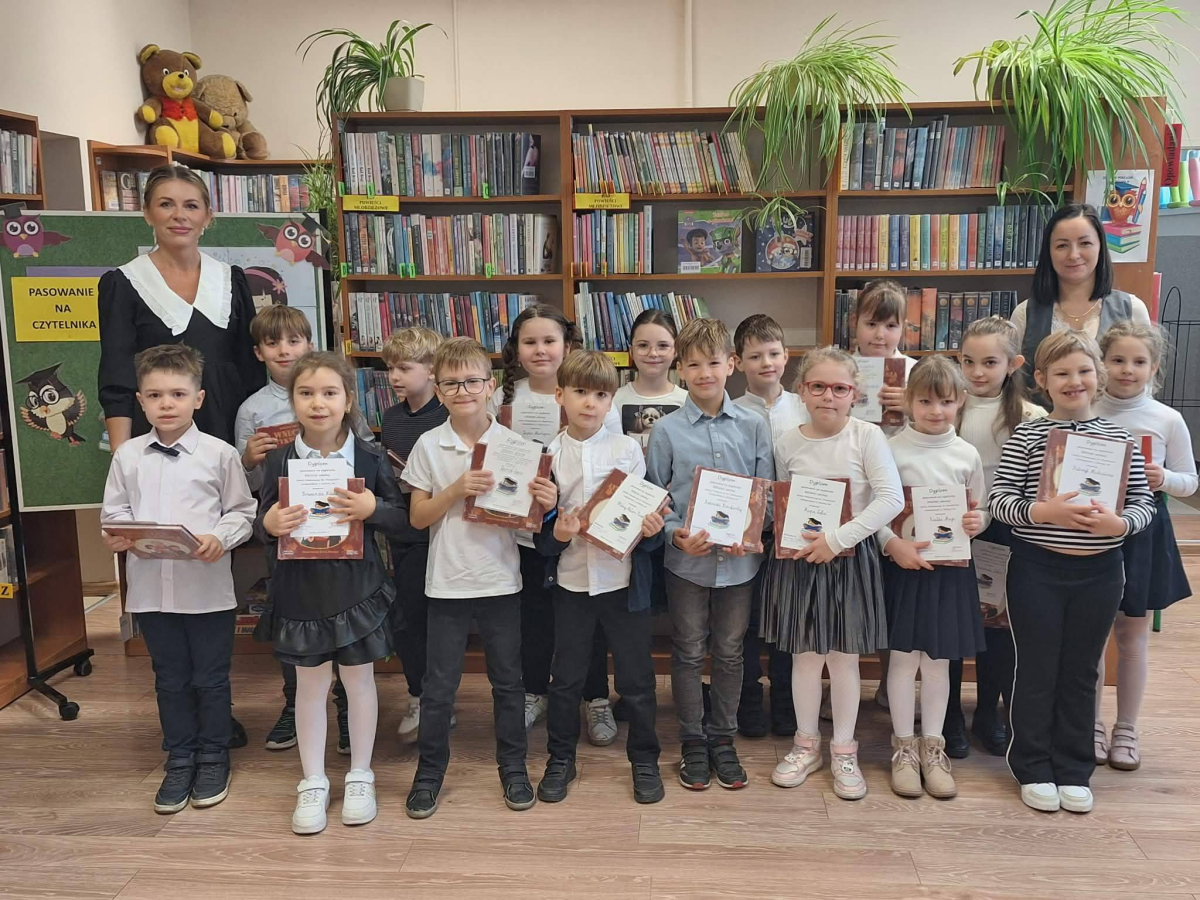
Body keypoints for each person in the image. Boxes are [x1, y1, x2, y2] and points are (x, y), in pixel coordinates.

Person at [989, 330, 1155, 814]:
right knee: (1036, 668)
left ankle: (1074, 767)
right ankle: (1033, 766)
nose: (1074, 381)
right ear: (1041, 380)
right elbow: (1000, 501)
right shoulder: (1028, 436)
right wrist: (1044, 512)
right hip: (1037, 569)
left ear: (1098, 376)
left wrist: (1120, 524)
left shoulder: (1119, 439)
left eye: (1083, 371)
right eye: (1061, 373)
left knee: (1083, 671)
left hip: (1100, 572)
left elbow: (1144, 504)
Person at [403, 337, 557, 818]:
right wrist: (455, 489)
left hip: (501, 581)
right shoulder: (430, 444)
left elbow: (530, 522)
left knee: (508, 682)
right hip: (447, 582)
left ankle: (513, 768)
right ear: (438, 390)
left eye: (473, 381)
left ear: (491, 386)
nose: (463, 391)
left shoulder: (516, 447)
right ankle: (429, 773)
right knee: (438, 687)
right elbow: (418, 518)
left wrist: (545, 504)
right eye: (451, 384)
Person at [100, 344, 256, 814]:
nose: (166, 404)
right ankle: (180, 756)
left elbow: (242, 512)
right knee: (169, 678)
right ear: (140, 401)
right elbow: (114, 512)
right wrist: (118, 535)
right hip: (150, 593)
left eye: (177, 394)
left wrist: (220, 537)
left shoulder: (219, 454)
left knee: (210, 678)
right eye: (154, 395)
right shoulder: (128, 456)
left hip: (207, 592)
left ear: (198, 399)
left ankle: (213, 756)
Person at [257, 352, 408, 834]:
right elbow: (262, 522)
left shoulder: (370, 457)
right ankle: (314, 780)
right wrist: (269, 523)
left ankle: (360, 775)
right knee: (310, 686)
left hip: (355, 588)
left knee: (359, 682)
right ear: (293, 400)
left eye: (329, 393)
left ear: (347, 400)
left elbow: (403, 518)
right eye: (306, 393)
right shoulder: (278, 459)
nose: (317, 403)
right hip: (301, 591)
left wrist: (372, 509)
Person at [761, 348, 903, 800]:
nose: (828, 396)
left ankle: (844, 749)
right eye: (818, 386)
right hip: (800, 561)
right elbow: (781, 501)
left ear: (854, 395)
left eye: (839, 388)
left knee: (843, 659)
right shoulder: (787, 442)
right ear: (802, 391)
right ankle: (807, 745)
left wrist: (838, 539)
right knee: (804, 657)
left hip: (849, 560)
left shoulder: (867, 436)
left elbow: (890, 499)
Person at [646, 318, 774, 791]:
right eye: (694, 365)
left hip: (740, 563)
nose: (704, 373)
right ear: (680, 369)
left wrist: (753, 530)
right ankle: (692, 741)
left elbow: (767, 492)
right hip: (687, 563)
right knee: (687, 650)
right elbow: (655, 497)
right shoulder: (666, 431)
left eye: (714, 363)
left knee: (730, 651)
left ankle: (723, 737)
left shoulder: (754, 426)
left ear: (731, 364)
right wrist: (675, 534)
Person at [533, 351, 666, 805]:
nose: (590, 402)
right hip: (572, 584)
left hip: (623, 584)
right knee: (566, 679)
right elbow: (541, 539)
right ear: (560, 395)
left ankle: (644, 760)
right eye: (580, 392)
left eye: (601, 394)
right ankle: (560, 759)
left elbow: (644, 518)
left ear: (612, 401)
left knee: (636, 679)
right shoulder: (548, 456)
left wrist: (651, 528)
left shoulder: (627, 451)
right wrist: (559, 532)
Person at [490, 305, 619, 738]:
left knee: (587, 622)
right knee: (535, 617)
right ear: (516, 349)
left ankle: (595, 697)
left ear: (567, 346)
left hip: (579, 535)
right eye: (530, 342)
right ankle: (534, 691)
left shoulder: (590, 393)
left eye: (550, 341)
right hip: (523, 533)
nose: (540, 350)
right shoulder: (503, 397)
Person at [233, 307, 351, 754]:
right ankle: (293, 704)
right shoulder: (252, 409)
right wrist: (249, 458)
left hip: (339, 527)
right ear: (259, 352)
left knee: (343, 615)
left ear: (309, 344)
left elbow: (360, 453)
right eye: (273, 343)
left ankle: (344, 707)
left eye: (294, 340)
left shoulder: (334, 393)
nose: (284, 350)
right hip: (286, 530)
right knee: (292, 620)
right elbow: (243, 484)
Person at [877, 356, 986, 800]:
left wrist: (978, 521)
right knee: (903, 659)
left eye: (945, 401)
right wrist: (891, 544)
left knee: (939, 662)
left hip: (950, 571)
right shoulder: (890, 449)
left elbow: (979, 507)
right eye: (925, 401)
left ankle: (933, 748)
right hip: (904, 568)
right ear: (908, 401)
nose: (935, 411)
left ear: (960, 401)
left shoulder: (967, 454)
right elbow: (875, 511)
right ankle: (904, 748)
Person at [98, 164, 264, 451]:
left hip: (228, 429)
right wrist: (122, 457)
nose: (179, 215)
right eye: (166, 204)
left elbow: (252, 373)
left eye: (191, 205)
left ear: (207, 216)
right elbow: (117, 376)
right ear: (147, 213)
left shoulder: (231, 280)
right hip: (156, 435)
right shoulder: (124, 283)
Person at [1094, 322, 1196, 771]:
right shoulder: (1088, 409)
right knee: (1093, 636)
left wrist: (1164, 478)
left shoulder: (1167, 419)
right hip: (1091, 532)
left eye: (1138, 362)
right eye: (1117, 359)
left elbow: (1190, 480)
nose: (1127, 369)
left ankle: (1127, 729)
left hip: (1144, 534)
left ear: (1154, 367)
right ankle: (1090, 725)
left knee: (1132, 635)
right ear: (1102, 363)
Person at [957, 316, 1046, 756]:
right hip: (954, 528)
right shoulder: (947, 405)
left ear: (1014, 364)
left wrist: (993, 515)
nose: (977, 372)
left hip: (1006, 533)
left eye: (989, 362)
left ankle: (989, 712)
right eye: (968, 361)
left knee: (997, 626)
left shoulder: (1031, 417)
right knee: (954, 624)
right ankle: (949, 714)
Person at [378, 326, 452, 744]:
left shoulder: (447, 415)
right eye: (390, 368)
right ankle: (418, 695)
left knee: (440, 622)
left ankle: (439, 699)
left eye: (404, 368)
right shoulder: (391, 418)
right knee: (407, 620)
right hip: (404, 532)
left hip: (442, 531)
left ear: (432, 369)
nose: (394, 376)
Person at [849, 280, 918, 720]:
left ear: (903, 328)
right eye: (871, 323)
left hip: (903, 497)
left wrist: (909, 405)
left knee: (896, 598)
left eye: (890, 325)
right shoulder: (843, 370)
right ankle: (845, 686)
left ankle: (893, 686)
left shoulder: (915, 373)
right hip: (855, 495)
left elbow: (942, 419)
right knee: (855, 596)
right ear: (854, 324)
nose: (880, 334)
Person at [732, 313, 803, 738]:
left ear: (786, 356)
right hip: (747, 533)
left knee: (785, 620)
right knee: (745, 622)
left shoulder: (803, 406)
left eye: (773, 353)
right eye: (755, 356)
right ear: (738, 362)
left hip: (794, 533)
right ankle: (748, 699)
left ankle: (785, 701)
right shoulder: (732, 412)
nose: (766, 363)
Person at [1010, 203, 1151, 397]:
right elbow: (1013, 387)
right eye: (1062, 245)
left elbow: (1145, 387)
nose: (1073, 255)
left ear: (1100, 247)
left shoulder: (1132, 309)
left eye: (1085, 243)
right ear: (1048, 252)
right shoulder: (1024, 313)